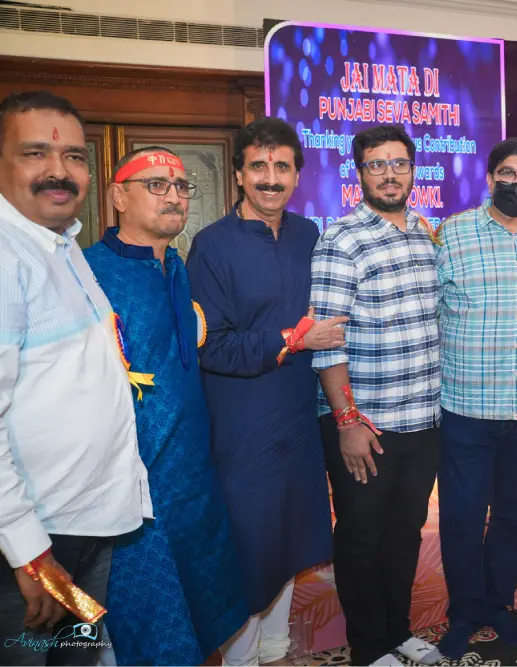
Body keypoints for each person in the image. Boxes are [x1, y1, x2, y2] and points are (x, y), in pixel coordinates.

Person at [0, 90, 152, 666]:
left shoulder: (62, 247)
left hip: (83, 531)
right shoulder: (6, 257)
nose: (58, 171)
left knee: (76, 661)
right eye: (35, 153)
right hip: (31, 545)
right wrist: (28, 551)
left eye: (73, 157)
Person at [186, 117, 345, 666]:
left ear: (298, 175)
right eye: (258, 166)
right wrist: (293, 339)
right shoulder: (212, 246)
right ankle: (242, 657)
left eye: (281, 167)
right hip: (241, 419)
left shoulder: (308, 235)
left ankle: (275, 649)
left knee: (289, 536)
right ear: (238, 175)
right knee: (249, 544)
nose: (270, 178)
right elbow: (211, 347)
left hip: (298, 416)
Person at [82, 146, 249, 665]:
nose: (174, 196)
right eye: (156, 185)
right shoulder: (89, 276)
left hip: (193, 476)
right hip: (136, 491)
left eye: (180, 186)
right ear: (118, 197)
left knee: (205, 611)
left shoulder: (175, 266)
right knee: (151, 625)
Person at [435, 138, 517, 659]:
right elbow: (431, 311)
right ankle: (464, 612)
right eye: (508, 173)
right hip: (466, 406)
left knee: (515, 517)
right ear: (490, 177)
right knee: (462, 518)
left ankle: (498, 604)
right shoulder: (453, 234)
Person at [311, 125, 441, 667]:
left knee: (405, 533)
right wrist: (347, 421)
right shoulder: (341, 239)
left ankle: (398, 632)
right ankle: (368, 648)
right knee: (362, 535)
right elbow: (327, 341)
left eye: (399, 164)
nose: (390, 174)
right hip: (365, 424)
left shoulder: (425, 235)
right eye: (377, 164)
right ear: (359, 173)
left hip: (423, 420)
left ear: (413, 170)